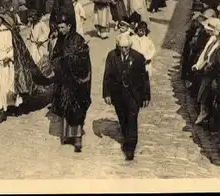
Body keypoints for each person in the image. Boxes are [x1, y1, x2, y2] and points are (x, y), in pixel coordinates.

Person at [0, 12, 52, 124]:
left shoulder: (8, 31)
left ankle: (11, 107)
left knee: (7, 85)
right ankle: (0, 110)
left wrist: (9, 56)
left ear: (3, 18)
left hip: (7, 63)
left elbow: (14, 47)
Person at [103, 33, 150, 161]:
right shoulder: (112, 56)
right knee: (123, 118)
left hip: (133, 94)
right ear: (118, 46)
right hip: (118, 94)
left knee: (132, 119)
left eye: (126, 47)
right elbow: (107, 75)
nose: (124, 50)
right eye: (121, 47)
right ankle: (127, 138)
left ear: (130, 46)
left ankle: (130, 148)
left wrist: (146, 96)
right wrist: (106, 93)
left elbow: (144, 78)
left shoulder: (138, 57)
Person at [49, 14, 92, 153]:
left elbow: (83, 56)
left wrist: (70, 59)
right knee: (64, 106)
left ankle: (78, 138)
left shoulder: (78, 39)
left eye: (63, 27)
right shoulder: (60, 40)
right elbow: (55, 56)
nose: (61, 30)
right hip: (64, 80)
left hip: (76, 80)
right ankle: (67, 135)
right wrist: (57, 62)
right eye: (59, 27)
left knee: (76, 107)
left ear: (69, 26)